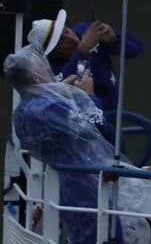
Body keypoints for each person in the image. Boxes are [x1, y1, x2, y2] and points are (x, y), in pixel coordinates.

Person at [5, 44, 112, 244]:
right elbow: (96, 129)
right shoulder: (49, 107)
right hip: (85, 182)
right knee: (103, 233)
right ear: (36, 76)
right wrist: (88, 96)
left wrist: (62, 93)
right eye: (41, 66)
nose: (47, 68)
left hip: (62, 182)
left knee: (78, 234)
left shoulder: (22, 111)